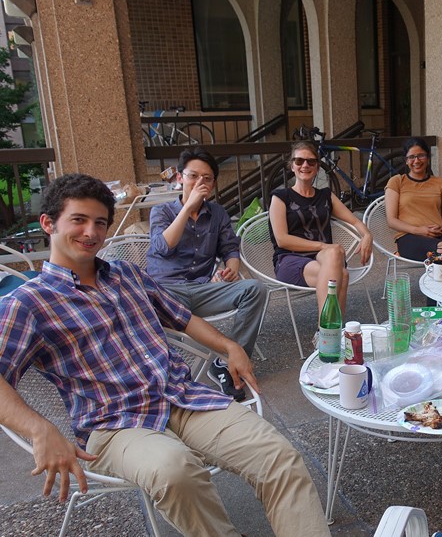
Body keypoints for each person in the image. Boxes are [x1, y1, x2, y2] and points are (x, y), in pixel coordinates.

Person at [0, 174, 330, 536]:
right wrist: (39, 429)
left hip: (182, 397)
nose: (90, 232)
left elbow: (182, 316)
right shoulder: (29, 303)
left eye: (99, 223)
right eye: (78, 220)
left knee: (279, 457)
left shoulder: (125, 274)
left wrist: (230, 346)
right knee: (176, 470)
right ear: (48, 223)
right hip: (115, 426)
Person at [147, 147, 265, 401]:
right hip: (166, 291)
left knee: (255, 289)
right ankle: (168, 376)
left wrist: (232, 267)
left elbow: (230, 249)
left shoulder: (218, 213)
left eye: (207, 178)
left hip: (202, 288)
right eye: (193, 176)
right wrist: (187, 206)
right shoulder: (162, 212)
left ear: (213, 184)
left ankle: (226, 364)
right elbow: (162, 247)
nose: (200, 182)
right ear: (180, 178)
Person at [269, 140, 372, 318]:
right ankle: (329, 332)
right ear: (292, 166)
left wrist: (367, 235)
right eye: (299, 161)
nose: (305, 165)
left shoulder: (325, 195)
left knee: (334, 255)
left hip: (326, 258)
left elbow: (355, 222)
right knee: (343, 275)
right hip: (290, 259)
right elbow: (282, 239)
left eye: (311, 161)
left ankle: (326, 335)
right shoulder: (280, 197)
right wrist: (323, 246)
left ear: (317, 167)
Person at [385, 137, 442, 260]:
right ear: (406, 161)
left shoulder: (440, 183)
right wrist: (418, 230)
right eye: (411, 157)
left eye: (421, 156)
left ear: (428, 158)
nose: (416, 160)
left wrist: (441, 229)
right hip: (408, 237)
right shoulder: (397, 181)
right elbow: (391, 220)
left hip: (438, 236)